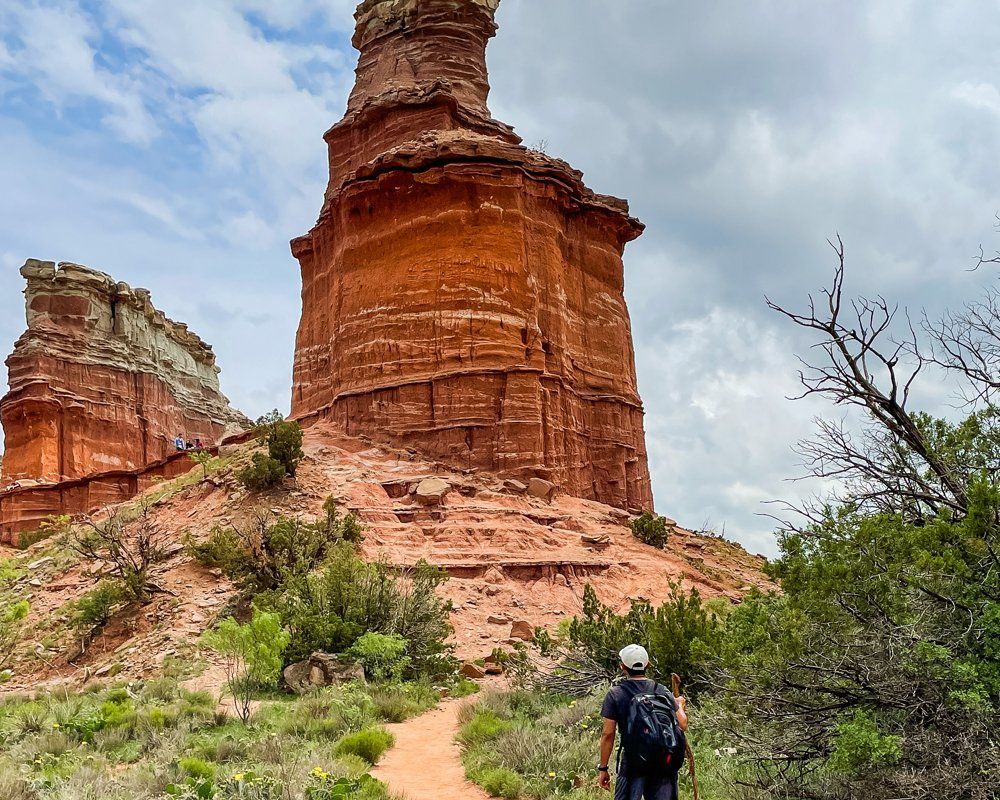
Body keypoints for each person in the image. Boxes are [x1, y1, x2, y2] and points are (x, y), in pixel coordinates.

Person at [597, 644, 688, 799]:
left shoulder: (616, 694)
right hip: (663, 762)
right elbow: (682, 724)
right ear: (647, 665)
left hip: (633, 763)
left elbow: (608, 734)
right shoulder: (661, 690)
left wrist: (603, 768)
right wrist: (679, 705)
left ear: (622, 666)